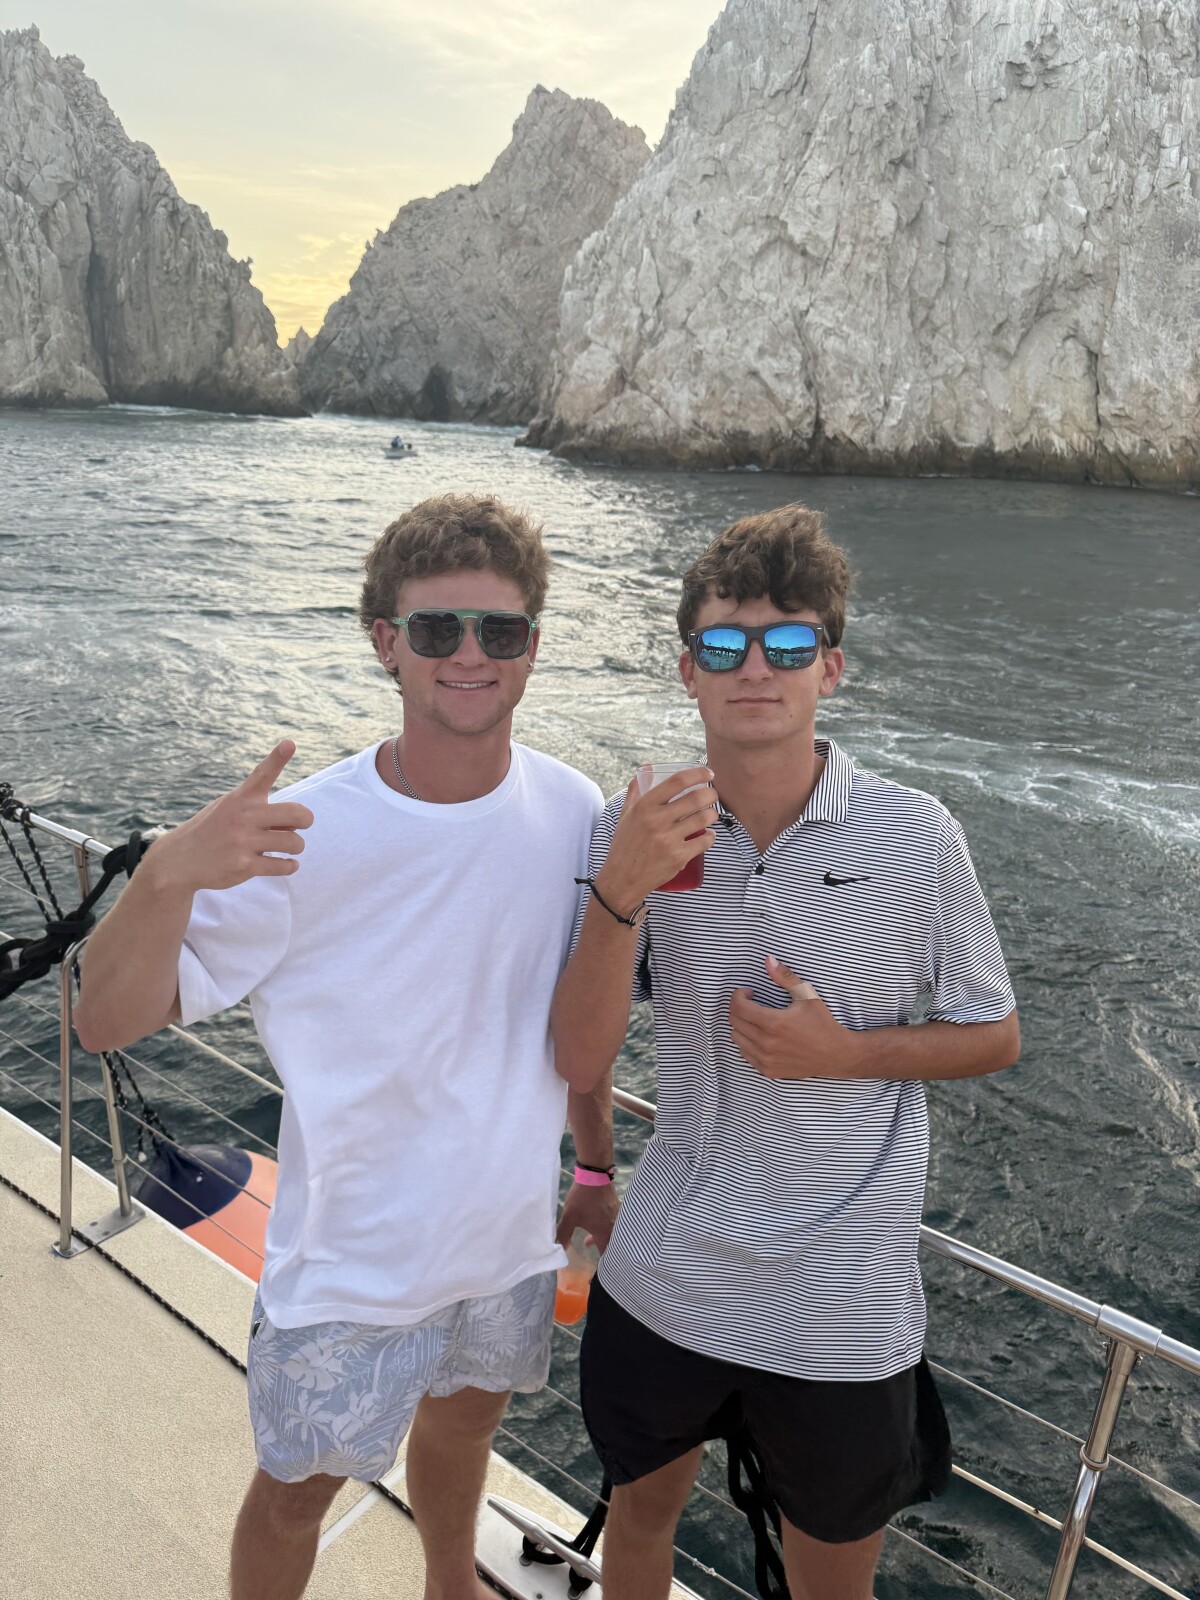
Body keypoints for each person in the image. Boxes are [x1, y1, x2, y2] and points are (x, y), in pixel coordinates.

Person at [75, 493, 616, 1600]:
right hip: (351, 1268)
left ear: (532, 646)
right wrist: (167, 873)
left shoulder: (573, 809)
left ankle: (449, 1584)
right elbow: (104, 1021)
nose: (470, 654)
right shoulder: (302, 835)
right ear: (386, 642)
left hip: (504, 1246)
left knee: (465, 1433)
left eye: (499, 629)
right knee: (293, 1496)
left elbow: (573, 1011)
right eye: (437, 628)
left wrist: (598, 1165)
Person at [551, 503, 1020, 1600]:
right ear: (688, 671)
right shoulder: (634, 828)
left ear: (831, 667)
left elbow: (994, 1031)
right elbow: (578, 1053)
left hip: (840, 1304)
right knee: (639, 1521)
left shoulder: (917, 836)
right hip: (664, 1275)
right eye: (723, 645)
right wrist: (620, 890)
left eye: (788, 643)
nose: (754, 667)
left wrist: (845, 1053)